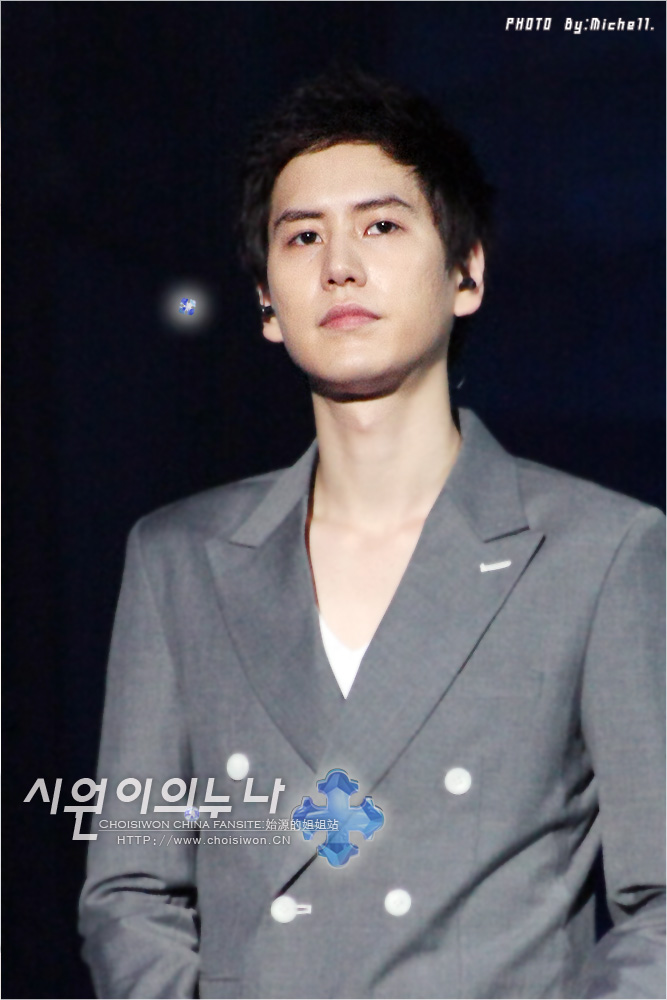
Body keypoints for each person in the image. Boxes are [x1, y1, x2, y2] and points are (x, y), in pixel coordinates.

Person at [78, 68, 665, 999]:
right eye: (302, 236)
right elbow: (130, 890)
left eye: (381, 226)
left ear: (466, 271)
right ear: (266, 302)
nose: (339, 265)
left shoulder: (599, 553)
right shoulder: (177, 560)